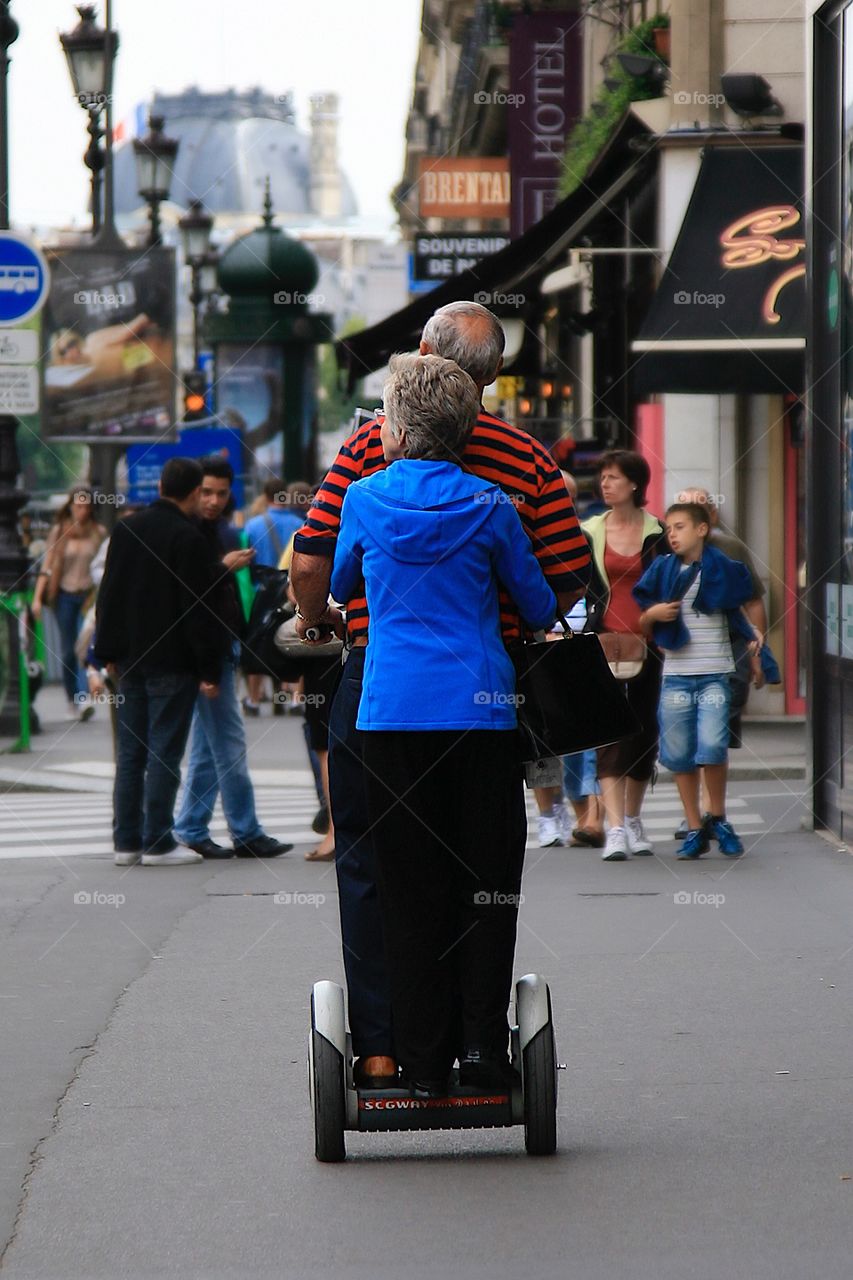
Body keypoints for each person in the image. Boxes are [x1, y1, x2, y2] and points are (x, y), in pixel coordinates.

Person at [290, 300, 590, 1089]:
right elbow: (563, 585)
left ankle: (389, 1048)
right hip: (485, 697)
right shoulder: (523, 462)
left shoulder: (365, 457)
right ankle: (480, 1049)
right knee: (484, 871)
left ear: (421, 358)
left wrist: (316, 620)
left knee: (375, 863)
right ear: (489, 378)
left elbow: (314, 558)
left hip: (381, 688)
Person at [331, 354, 557, 1095]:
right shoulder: (493, 503)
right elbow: (538, 603)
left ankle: (421, 1066)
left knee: (406, 889)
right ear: (465, 428)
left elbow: (335, 583)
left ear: (394, 428)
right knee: (486, 884)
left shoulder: (363, 500)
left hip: (390, 712)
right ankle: (483, 1055)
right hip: (479, 713)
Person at [94, 458, 222, 868]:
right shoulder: (188, 538)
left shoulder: (126, 529)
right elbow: (197, 610)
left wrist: (106, 652)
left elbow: (108, 594)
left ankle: (125, 841)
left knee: (131, 753)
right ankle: (158, 841)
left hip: (130, 658)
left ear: (163, 485)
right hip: (174, 661)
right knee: (164, 752)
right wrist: (209, 668)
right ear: (192, 491)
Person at [172, 456, 293, 861]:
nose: (213, 500)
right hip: (208, 653)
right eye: (206, 492)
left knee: (210, 746)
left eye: (221, 494)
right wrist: (221, 568)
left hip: (223, 647)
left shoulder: (220, 531)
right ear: (192, 491)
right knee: (229, 743)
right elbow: (192, 600)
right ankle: (246, 831)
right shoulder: (191, 535)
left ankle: (191, 826)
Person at [634, 501, 755, 858]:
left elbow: (740, 609)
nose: (672, 534)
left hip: (715, 673)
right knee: (677, 754)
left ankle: (717, 816)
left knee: (713, 746)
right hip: (676, 677)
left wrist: (755, 643)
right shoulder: (661, 571)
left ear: (702, 530)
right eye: (669, 528)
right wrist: (652, 614)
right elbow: (642, 622)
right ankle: (694, 826)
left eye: (680, 527)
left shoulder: (723, 570)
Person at [583, 450, 668, 861]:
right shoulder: (589, 530)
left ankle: (633, 818)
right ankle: (614, 826)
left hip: (650, 643)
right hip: (604, 640)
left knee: (644, 730)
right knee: (608, 732)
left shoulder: (658, 533)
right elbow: (576, 583)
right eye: (602, 477)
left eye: (613, 477)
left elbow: (677, 583)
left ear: (635, 484)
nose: (605, 483)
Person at [31, 487, 107, 721]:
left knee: (82, 646)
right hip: (63, 595)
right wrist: (37, 598)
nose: (81, 511)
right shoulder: (59, 531)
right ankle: (72, 698)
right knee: (66, 651)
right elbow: (47, 566)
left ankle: (83, 699)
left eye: (86, 506)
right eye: (77, 505)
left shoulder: (98, 532)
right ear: (70, 506)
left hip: (88, 597)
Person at [242, 479, 308, 715]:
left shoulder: (252, 525)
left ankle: (254, 698)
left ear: (265, 494)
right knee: (291, 639)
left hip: (263, 590)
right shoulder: (299, 523)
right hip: (291, 589)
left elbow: (247, 561)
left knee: (257, 640)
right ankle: (293, 697)